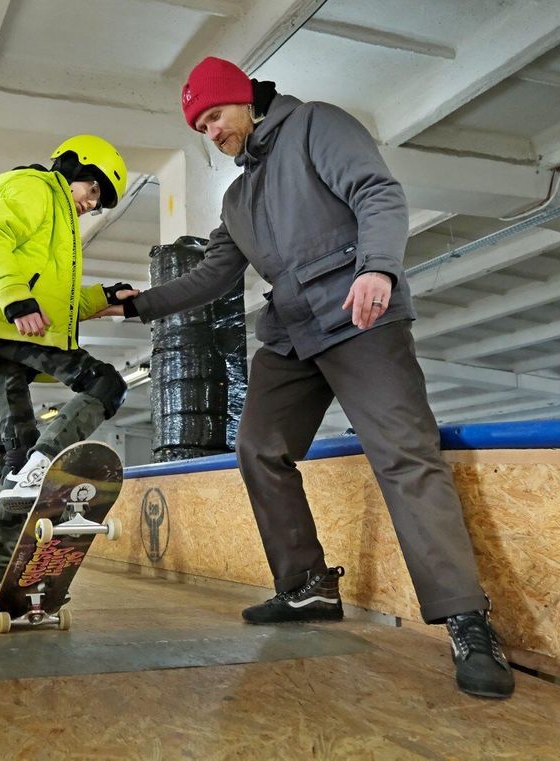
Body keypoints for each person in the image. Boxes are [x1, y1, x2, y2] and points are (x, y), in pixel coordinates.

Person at [99, 57, 514, 699]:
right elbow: (212, 276)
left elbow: (377, 192)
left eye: (213, 116)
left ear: (243, 99)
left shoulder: (317, 126)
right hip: (292, 335)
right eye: (198, 125)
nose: (209, 132)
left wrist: (379, 268)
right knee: (259, 448)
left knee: (404, 455)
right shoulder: (237, 199)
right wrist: (133, 303)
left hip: (358, 311)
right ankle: (307, 587)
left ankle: (467, 620)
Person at [0, 134, 134, 614]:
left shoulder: (59, 222)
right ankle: (46, 462)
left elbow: (59, 297)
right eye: (91, 190)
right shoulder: (33, 186)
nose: (90, 205)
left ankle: (1, 579)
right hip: (15, 324)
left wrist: (105, 298)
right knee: (105, 384)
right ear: (72, 165)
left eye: (97, 201)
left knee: (15, 460)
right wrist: (15, 295)